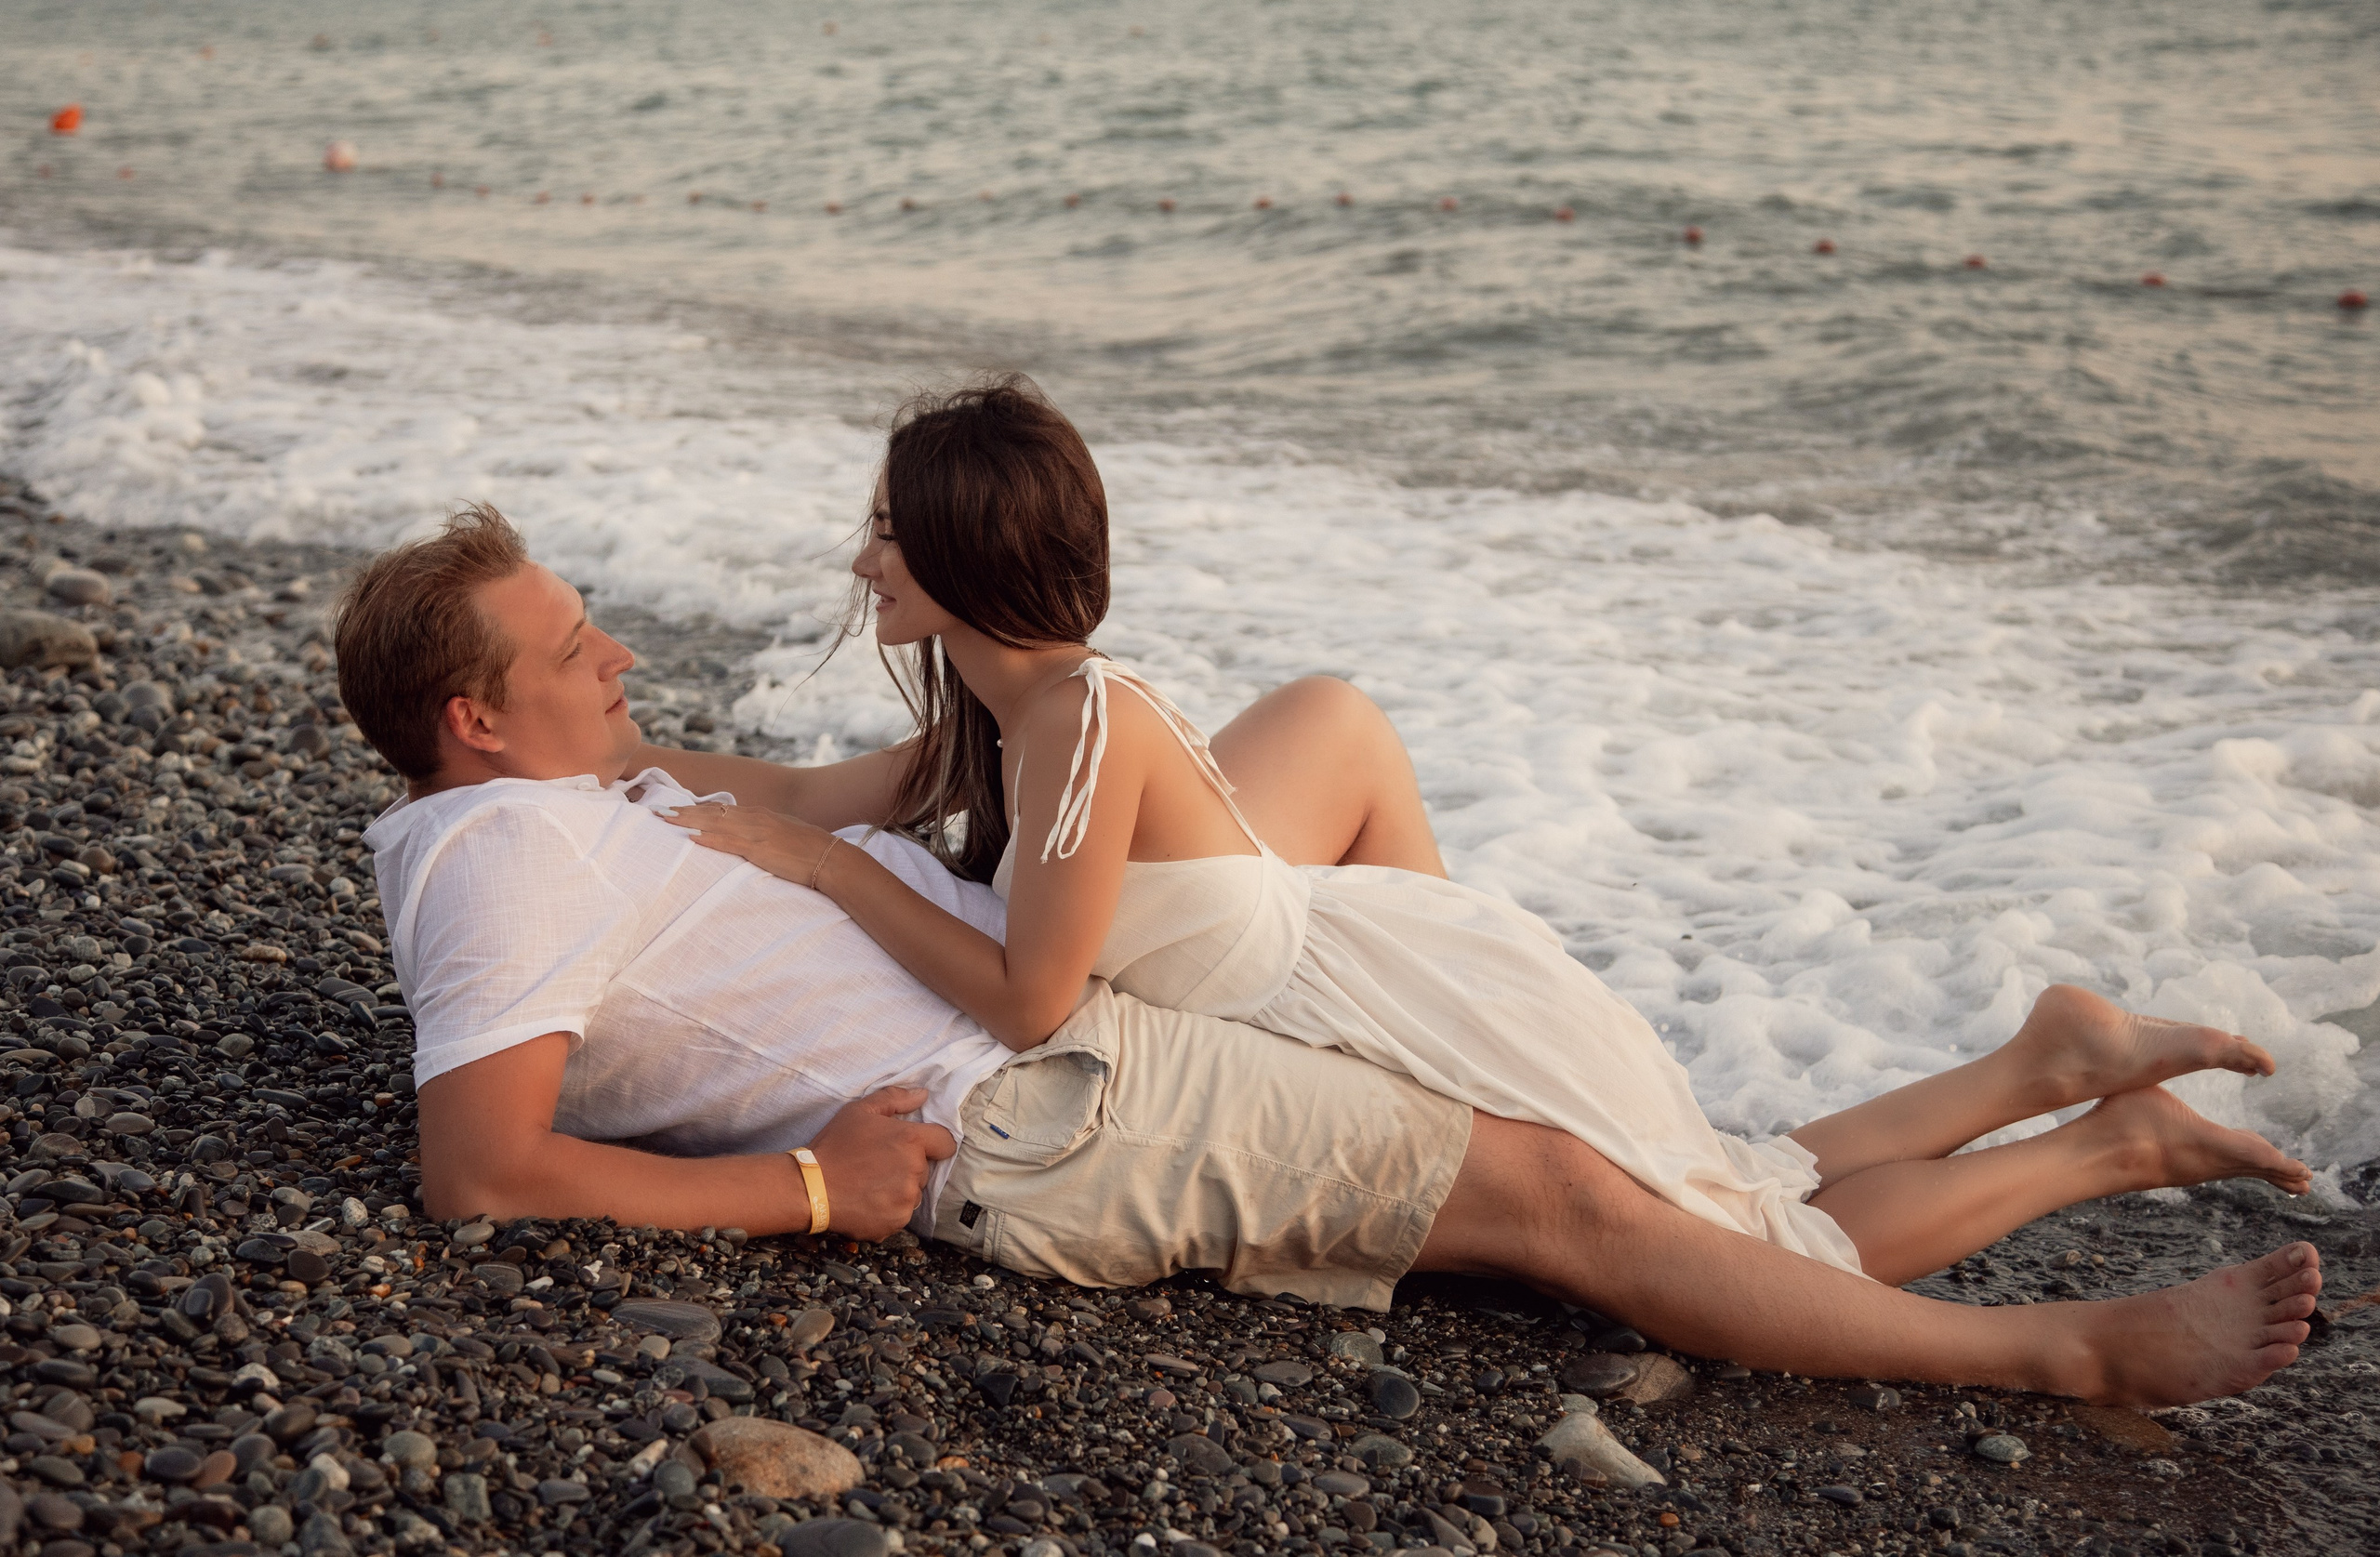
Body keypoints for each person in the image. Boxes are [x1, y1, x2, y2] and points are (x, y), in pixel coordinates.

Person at [341, 502, 2323, 1410]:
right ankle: (2057, 1322)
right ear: (476, 727)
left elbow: (776, 789)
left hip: (1069, 1007)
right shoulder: (490, 858)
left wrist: (718, 781)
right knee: (1573, 1192)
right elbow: (482, 1169)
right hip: (1035, 1100)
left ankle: (2057, 1117)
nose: (617, 656)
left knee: (1577, 1124)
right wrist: (802, 1189)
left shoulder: (573, 793)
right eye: (569, 651)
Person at [666, 377, 2312, 1288]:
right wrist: (590, 754)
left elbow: (1030, 1001)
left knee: (1753, 1238)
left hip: (1396, 1005)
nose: (864, 554)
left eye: (888, 526)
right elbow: (806, 795)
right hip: (1390, 962)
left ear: (959, 549)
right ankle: (2042, 1062)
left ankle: (2101, 1136)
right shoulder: (1003, 705)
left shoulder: (1076, 723)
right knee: (1721, 1177)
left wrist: (814, 876)